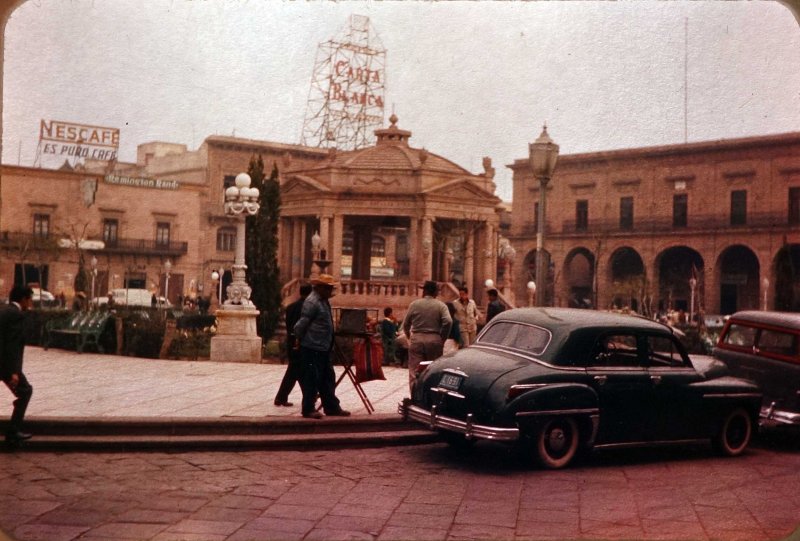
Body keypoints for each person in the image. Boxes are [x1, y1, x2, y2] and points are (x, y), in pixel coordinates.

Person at [293, 274, 350, 419]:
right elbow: (301, 324)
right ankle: (308, 408)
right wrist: (297, 339)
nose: (330, 291)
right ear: (320, 288)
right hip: (313, 347)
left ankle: (331, 406)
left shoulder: (323, 301)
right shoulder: (312, 302)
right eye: (328, 288)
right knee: (312, 378)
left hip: (323, 346)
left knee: (327, 378)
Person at [402, 280, 452, 393]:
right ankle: (429, 399)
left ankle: (415, 397)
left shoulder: (414, 304)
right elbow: (448, 321)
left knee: (414, 372)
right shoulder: (441, 306)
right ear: (435, 292)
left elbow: (406, 324)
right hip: (434, 340)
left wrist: (409, 337)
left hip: (417, 339)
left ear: (424, 291)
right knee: (433, 371)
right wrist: (442, 338)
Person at [0, 285, 34, 447]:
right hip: (5, 364)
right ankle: (13, 432)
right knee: (25, 391)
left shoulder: (3, 310)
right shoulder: (16, 315)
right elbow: (13, 345)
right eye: (30, 299)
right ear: (23, 299)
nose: (31, 303)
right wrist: (14, 371)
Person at [274, 283, 311, 407]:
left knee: (296, 371)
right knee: (297, 371)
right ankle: (282, 397)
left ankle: (282, 397)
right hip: (301, 342)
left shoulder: (290, 307)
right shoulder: (307, 308)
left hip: (291, 341)